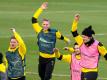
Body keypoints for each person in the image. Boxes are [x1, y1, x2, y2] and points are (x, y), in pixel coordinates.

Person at [32, 2, 70, 80]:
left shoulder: (54, 32)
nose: (45, 26)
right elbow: (33, 19)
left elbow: (61, 36)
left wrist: (66, 40)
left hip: (51, 58)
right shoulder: (39, 30)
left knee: (47, 77)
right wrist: (41, 8)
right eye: (44, 24)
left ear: (49, 25)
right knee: (41, 75)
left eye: (47, 24)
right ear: (42, 25)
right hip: (41, 57)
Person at [71, 14, 107, 80]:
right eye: (82, 36)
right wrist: (75, 21)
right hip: (83, 71)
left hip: (92, 71)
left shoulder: (98, 45)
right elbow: (74, 32)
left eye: (84, 37)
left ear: (90, 37)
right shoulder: (81, 41)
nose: (83, 38)